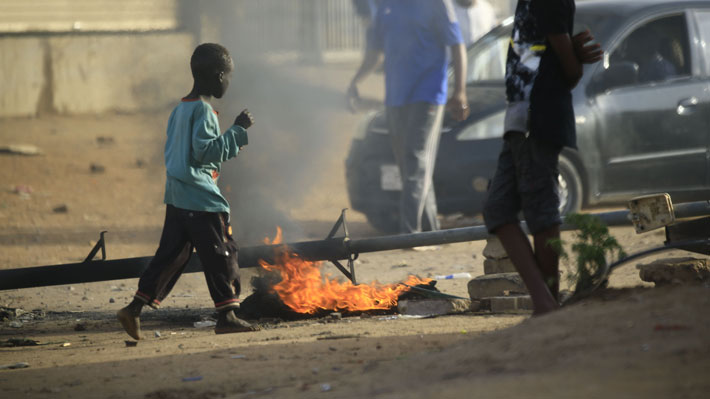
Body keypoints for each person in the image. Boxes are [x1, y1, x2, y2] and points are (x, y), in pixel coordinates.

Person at [117, 43, 256, 339]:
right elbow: (205, 152)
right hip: (200, 197)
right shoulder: (204, 112)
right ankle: (228, 315)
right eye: (228, 77)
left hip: (177, 195)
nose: (229, 83)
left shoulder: (180, 110)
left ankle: (133, 309)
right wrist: (237, 131)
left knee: (171, 256)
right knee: (222, 253)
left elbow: (175, 151)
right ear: (219, 76)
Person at [482, 0, 602, 315]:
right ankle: (545, 302)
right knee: (498, 210)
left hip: (538, 117)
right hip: (520, 118)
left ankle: (546, 304)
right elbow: (556, 57)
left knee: (541, 212)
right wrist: (572, 52)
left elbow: (571, 73)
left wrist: (573, 55)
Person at [347, 0, 470, 234]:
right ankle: (431, 233)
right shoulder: (383, 6)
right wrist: (355, 81)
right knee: (411, 167)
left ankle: (409, 234)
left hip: (428, 93)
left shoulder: (437, 4)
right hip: (395, 97)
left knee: (415, 160)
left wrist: (460, 92)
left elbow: (457, 46)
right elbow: (374, 52)